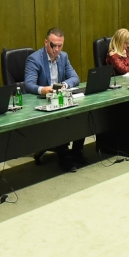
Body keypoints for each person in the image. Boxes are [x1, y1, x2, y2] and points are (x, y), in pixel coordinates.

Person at [24, 27, 86, 172]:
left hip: (60, 98)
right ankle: (64, 157)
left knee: (82, 113)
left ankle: (77, 152)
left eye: (60, 46)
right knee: (60, 119)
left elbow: (74, 78)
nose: (56, 49)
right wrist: (43, 89)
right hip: (42, 102)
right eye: (53, 45)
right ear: (46, 42)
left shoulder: (63, 57)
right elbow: (29, 84)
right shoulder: (34, 59)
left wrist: (64, 85)